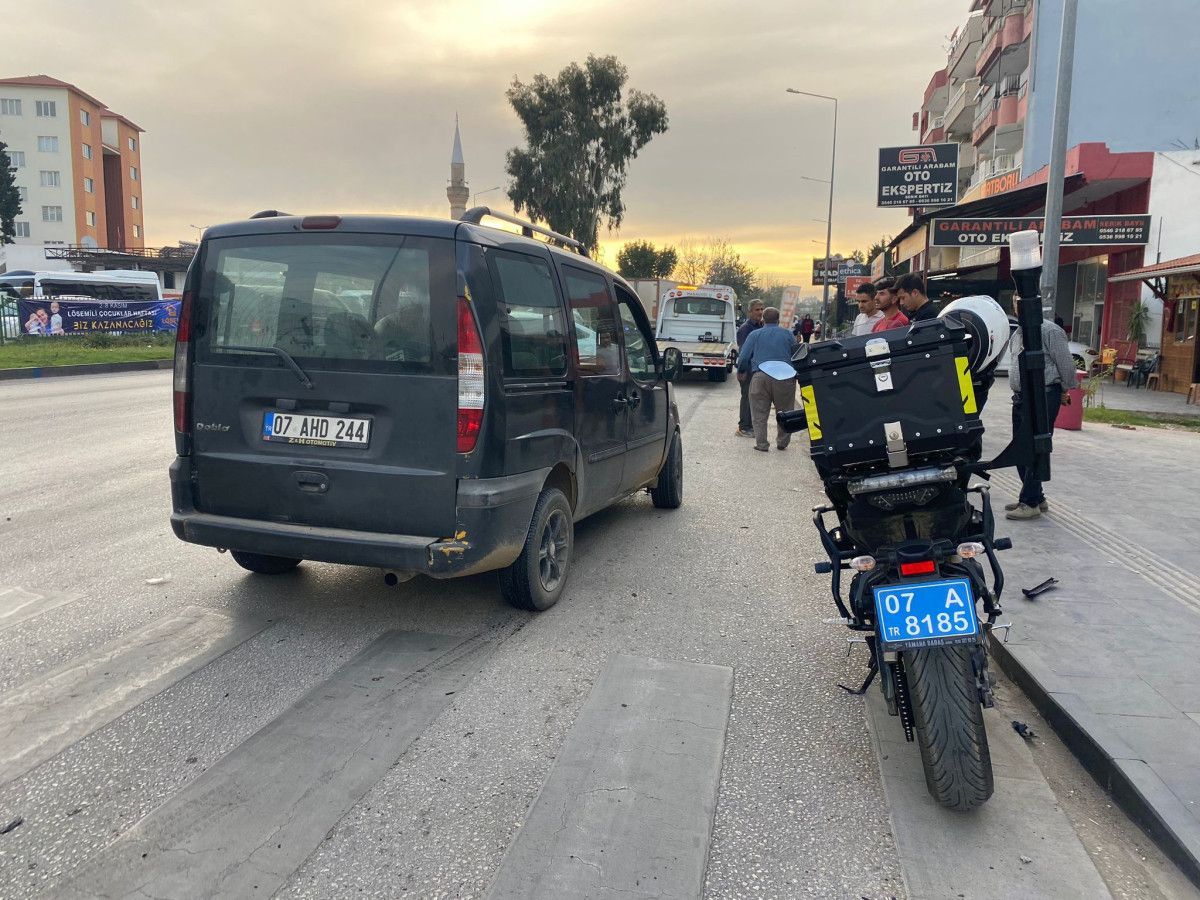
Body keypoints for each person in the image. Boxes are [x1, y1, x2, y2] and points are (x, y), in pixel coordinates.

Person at [1006, 306, 1077, 520]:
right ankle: (1036, 497)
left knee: (1036, 447)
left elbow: (1066, 365)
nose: (1019, 304)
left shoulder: (1050, 331)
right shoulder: (1018, 333)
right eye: (1016, 300)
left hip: (1043, 395)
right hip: (1021, 397)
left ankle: (1029, 502)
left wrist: (1064, 390)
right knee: (1020, 448)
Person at [736, 307, 798, 452]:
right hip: (785, 377)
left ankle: (762, 444)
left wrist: (741, 370)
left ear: (763, 319)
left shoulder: (754, 334)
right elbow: (796, 354)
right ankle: (782, 442)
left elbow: (744, 356)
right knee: (786, 411)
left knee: (759, 412)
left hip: (761, 376)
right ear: (778, 320)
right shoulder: (788, 334)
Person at [735, 300, 765, 437]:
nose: (760, 312)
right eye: (757, 309)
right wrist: (742, 370)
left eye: (762, 309)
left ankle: (751, 425)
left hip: (759, 369)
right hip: (748, 369)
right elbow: (744, 353)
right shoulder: (745, 329)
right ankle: (744, 427)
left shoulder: (762, 326)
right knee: (747, 398)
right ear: (750, 312)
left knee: (756, 398)